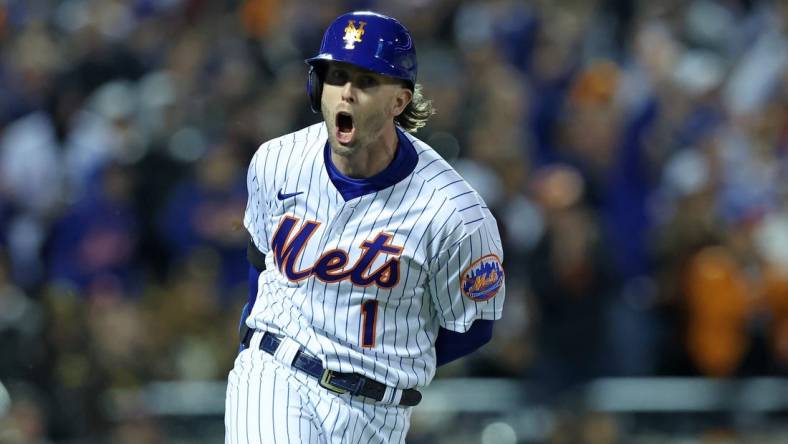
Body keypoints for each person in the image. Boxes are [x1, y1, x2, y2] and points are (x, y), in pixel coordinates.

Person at [224, 10, 506, 443]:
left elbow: (472, 327)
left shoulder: (454, 212)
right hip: (275, 373)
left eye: (367, 81)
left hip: (378, 412)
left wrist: (389, 356)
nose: (347, 93)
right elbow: (259, 263)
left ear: (400, 101)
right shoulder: (275, 161)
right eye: (336, 76)